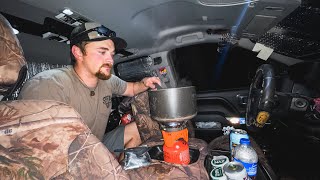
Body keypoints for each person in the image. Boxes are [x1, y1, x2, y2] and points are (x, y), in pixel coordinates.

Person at [18, 22, 161, 158]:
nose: (110, 60)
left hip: (95, 145)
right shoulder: (48, 85)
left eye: (111, 54)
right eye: (102, 52)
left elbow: (132, 89)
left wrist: (144, 83)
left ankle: (123, 172)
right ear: (78, 52)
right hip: (64, 158)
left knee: (138, 128)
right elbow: (41, 149)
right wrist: (96, 160)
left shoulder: (107, 80)